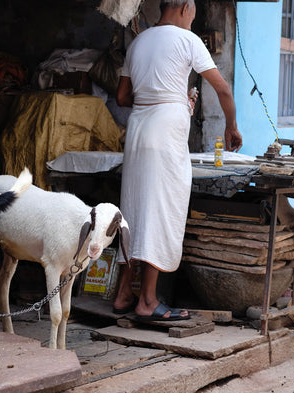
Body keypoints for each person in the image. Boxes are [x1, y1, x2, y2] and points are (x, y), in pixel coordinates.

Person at [112, 0, 243, 321]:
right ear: (185, 7)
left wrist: (168, 96)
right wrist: (231, 126)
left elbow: (122, 98)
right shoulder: (188, 40)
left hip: (139, 130)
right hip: (166, 133)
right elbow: (223, 90)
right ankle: (147, 301)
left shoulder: (140, 41)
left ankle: (123, 293)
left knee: (134, 209)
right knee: (161, 210)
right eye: (194, 13)